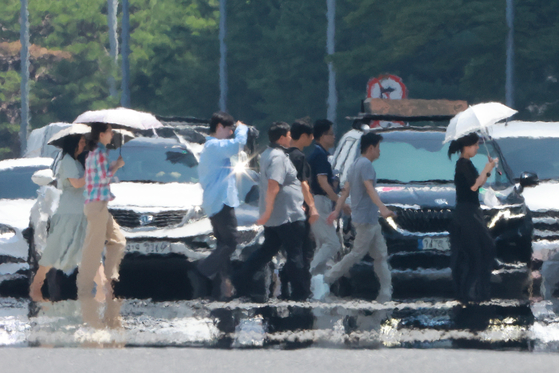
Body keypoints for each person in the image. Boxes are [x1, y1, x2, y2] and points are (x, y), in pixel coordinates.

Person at [314, 132, 395, 302]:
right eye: (378, 148)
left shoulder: (355, 164)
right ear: (371, 148)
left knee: (380, 254)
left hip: (367, 218)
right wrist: (384, 209)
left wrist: (336, 210)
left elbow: (345, 190)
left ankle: (387, 290)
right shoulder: (366, 165)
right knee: (357, 253)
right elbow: (369, 188)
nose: (380, 152)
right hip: (366, 219)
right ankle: (327, 278)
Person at [234, 122, 309, 301]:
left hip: (280, 214)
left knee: (266, 251)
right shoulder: (277, 157)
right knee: (295, 253)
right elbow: (273, 185)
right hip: (286, 215)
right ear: (282, 137)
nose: (291, 138)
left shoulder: (269, 154)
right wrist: (267, 212)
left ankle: (239, 282)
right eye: (289, 135)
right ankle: (300, 293)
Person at [29, 135, 106, 302]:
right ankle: (36, 289)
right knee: (55, 252)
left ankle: (102, 291)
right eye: (81, 142)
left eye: (85, 142)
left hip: (81, 213)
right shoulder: (67, 161)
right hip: (68, 215)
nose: (84, 145)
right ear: (73, 144)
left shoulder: (78, 162)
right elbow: (77, 183)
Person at [194, 111, 248, 300]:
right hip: (221, 201)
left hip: (216, 201)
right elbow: (238, 145)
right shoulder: (214, 146)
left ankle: (223, 288)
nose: (231, 132)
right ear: (219, 127)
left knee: (223, 244)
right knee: (231, 242)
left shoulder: (212, 147)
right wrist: (243, 128)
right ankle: (202, 271)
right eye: (229, 129)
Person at [77, 123, 126, 328]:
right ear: (102, 134)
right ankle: (84, 289)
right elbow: (102, 178)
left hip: (100, 204)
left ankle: (108, 280)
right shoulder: (99, 152)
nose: (112, 135)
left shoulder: (97, 152)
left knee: (118, 240)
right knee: (93, 248)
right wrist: (117, 166)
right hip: (96, 205)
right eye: (110, 132)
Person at [447, 132, 497, 302]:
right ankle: (470, 291)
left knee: (482, 250)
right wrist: (486, 169)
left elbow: (478, 182)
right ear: (466, 147)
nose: (477, 148)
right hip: (467, 213)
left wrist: (488, 172)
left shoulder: (467, 164)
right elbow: (474, 186)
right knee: (480, 250)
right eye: (475, 145)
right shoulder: (462, 164)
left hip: (471, 210)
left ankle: (475, 290)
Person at [280, 119, 319, 298]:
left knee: (290, 249)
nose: (312, 139)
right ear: (303, 136)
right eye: (311, 136)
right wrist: (311, 206)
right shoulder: (299, 157)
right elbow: (303, 184)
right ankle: (301, 289)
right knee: (304, 250)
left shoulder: (281, 154)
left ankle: (286, 280)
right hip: (299, 209)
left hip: (282, 209)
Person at [307, 119, 348, 275]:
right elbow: (322, 183)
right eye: (331, 134)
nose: (333, 137)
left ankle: (317, 285)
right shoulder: (320, 156)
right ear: (322, 136)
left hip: (318, 201)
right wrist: (339, 203)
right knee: (332, 243)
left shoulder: (321, 155)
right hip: (319, 201)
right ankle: (309, 273)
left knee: (322, 244)